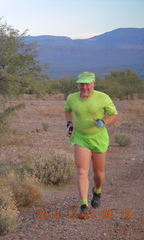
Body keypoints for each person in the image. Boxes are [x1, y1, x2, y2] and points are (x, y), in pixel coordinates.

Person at [64, 72, 118, 219]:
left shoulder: (103, 97)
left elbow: (114, 115)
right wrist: (69, 124)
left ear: (93, 83)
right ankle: (84, 205)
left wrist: (104, 122)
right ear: (78, 85)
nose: (85, 87)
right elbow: (67, 110)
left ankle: (98, 191)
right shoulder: (72, 98)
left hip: (99, 138)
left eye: (88, 83)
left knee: (98, 174)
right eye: (82, 84)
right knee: (82, 171)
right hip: (81, 138)